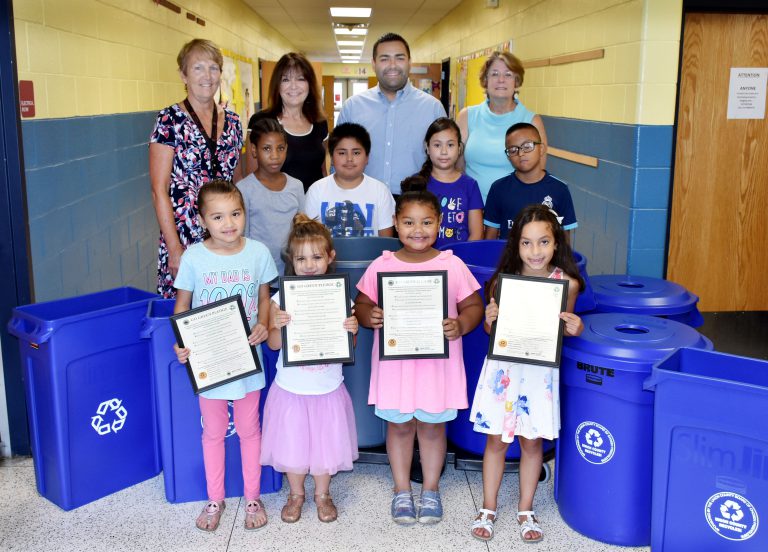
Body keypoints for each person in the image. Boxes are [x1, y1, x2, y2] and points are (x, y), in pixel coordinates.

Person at [354, 181, 484, 525]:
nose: (418, 230)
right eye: (409, 222)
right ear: (396, 224)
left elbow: (473, 305)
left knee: (431, 428)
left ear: (439, 224)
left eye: (426, 222)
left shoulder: (451, 265)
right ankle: (401, 490)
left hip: (435, 367)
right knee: (398, 428)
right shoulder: (382, 265)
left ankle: (430, 490)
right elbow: (362, 304)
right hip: (396, 367)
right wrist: (370, 316)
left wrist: (462, 325)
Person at [469, 204, 584, 543]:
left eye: (544, 242)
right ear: (515, 245)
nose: (536, 251)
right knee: (495, 440)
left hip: (538, 376)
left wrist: (576, 329)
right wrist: (490, 320)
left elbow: (561, 332)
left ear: (557, 244)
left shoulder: (568, 284)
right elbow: (493, 333)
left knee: (532, 444)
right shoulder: (501, 283)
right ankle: (488, 507)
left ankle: (525, 508)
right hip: (504, 372)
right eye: (527, 243)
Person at [172, 180, 277, 532]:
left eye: (235, 213)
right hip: (210, 363)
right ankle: (214, 498)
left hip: (248, 358)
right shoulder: (193, 257)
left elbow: (264, 297)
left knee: (250, 430)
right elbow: (182, 307)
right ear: (203, 220)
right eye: (218, 216)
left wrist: (263, 324)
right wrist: (181, 344)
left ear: (245, 213)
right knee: (213, 432)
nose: (229, 223)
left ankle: (252, 496)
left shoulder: (258, 253)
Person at [262, 214, 359, 524]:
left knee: (325, 445)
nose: (309, 264)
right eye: (301, 258)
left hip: (327, 388)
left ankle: (322, 493)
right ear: (292, 260)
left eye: (317, 256)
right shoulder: (281, 299)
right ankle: (296, 494)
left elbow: (350, 348)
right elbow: (274, 345)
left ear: (330, 257)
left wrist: (352, 329)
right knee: (293, 442)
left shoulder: (339, 297)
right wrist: (276, 325)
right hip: (291, 389)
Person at [150, 38, 243, 298]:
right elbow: (160, 190)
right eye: (198, 68)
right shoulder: (169, 120)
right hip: (185, 237)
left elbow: (237, 182)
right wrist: (174, 248)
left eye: (213, 68)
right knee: (185, 318)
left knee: (226, 306)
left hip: (225, 233)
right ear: (183, 74)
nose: (207, 76)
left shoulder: (234, 123)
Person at [337, 32, 446, 197]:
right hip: (362, 201)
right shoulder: (353, 107)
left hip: (416, 204)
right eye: (384, 58)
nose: (392, 65)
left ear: (409, 62)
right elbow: (338, 160)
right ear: (374, 64)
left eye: (400, 58)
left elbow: (446, 162)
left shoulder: (433, 108)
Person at [458, 51, 548, 202]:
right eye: (494, 74)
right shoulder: (467, 116)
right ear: (485, 80)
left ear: (516, 81)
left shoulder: (531, 120)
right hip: (472, 206)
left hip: (514, 207)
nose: (501, 80)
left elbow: (537, 173)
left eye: (508, 74)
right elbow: (458, 167)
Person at [246, 53, 328, 192]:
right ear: (277, 85)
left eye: (301, 79)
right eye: (285, 80)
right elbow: (251, 177)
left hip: (312, 208)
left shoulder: (320, 123)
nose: (293, 86)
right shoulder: (260, 121)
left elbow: (322, 171)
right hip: (275, 208)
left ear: (310, 84)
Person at [484, 122, 577, 241]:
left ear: (541, 149)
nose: (521, 153)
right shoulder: (498, 189)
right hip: (508, 259)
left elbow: (564, 243)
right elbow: (489, 239)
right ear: (508, 156)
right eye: (513, 150)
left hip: (546, 260)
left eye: (527, 146)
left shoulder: (560, 189)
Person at [236, 118, 305, 274]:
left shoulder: (296, 186)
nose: (275, 156)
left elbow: (303, 232)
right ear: (254, 150)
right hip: (259, 275)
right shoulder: (243, 189)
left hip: (292, 274)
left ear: (286, 149)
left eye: (280, 148)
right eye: (267, 149)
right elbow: (242, 237)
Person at [304, 123, 395, 237]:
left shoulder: (380, 191)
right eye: (342, 153)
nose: (349, 159)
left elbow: (385, 243)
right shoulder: (316, 190)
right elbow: (308, 238)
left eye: (356, 153)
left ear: (367, 157)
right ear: (331, 157)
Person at [415, 117, 483, 247]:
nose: (444, 151)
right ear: (427, 148)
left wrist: (460, 262)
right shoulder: (416, 184)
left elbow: (477, 234)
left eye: (450, 145)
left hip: (460, 261)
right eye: (437, 145)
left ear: (459, 148)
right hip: (424, 260)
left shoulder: (470, 186)